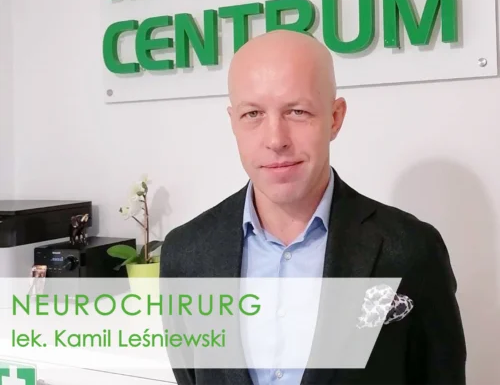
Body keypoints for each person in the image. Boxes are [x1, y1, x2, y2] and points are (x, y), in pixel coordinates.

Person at [160, 29, 467, 385]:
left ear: (335, 118)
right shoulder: (186, 254)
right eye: (253, 114)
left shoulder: (410, 248)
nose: (276, 140)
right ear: (233, 122)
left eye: (297, 111)